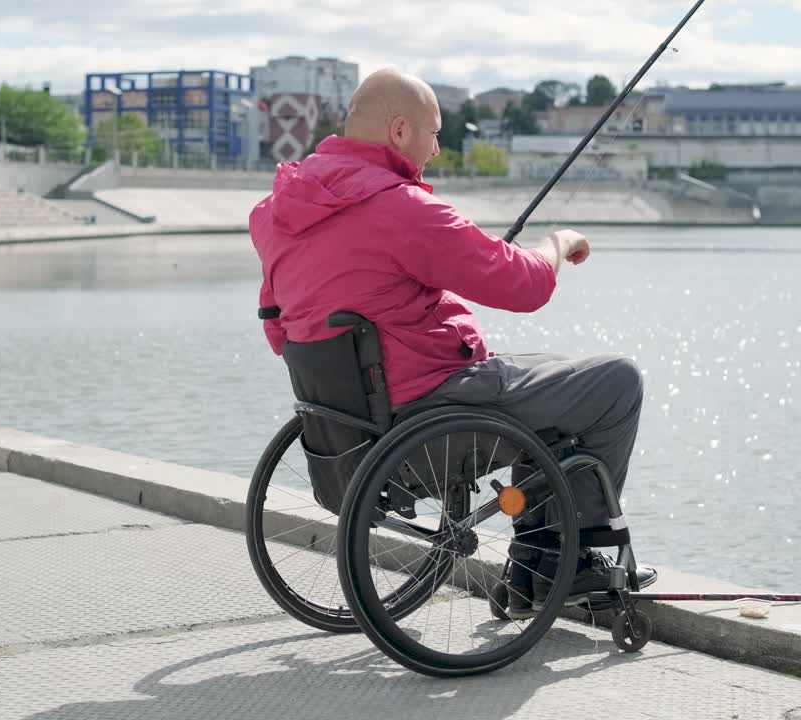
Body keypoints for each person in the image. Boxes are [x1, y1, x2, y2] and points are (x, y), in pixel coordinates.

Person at [249, 68, 655, 619]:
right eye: (434, 133)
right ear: (399, 130)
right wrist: (558, 243)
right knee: (615, 383)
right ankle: (571, 555)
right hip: (431, 411)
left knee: (553, 373)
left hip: (350, 426)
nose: (437, 150)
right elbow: (525, 283)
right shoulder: (401, 208)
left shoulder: (276, 215)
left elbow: (278, 325)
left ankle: (537, 558)